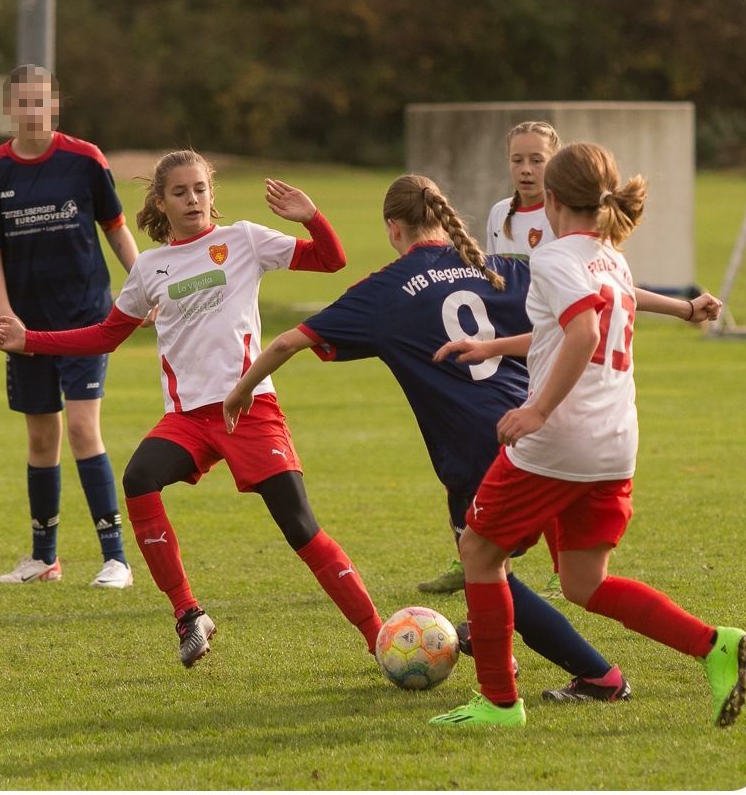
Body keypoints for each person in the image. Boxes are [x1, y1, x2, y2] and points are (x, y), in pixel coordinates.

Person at [225, 173, 647, 702]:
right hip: (540, 427)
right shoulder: (502, 268)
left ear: (392, 228)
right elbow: (605, 295)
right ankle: (498, 643)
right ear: (445, 218)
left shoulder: (384, 290)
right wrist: (683, 307)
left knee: (483, 564)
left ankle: (596, 674)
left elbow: (289, 341)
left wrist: (240, 392)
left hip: (473, 443)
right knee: (504, 564)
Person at [0, 149, 383, 668]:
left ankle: (379, 637)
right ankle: (189, 614)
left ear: (211, 194)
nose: (192, 199)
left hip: (250, 409)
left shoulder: (243, 239)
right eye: (180, 192)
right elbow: (106, 335)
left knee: (301, 528)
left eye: (200, 189)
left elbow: (331, 260)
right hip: (188, 420)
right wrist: (30, 340)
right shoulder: (150, 267)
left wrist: (311, 217)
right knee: (139, 478)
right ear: (161, 202)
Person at [428, 143, 746, 729]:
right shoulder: (609, 258)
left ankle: (498, 702)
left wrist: (536, 411)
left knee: (478, 551)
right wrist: (493, 346)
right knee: (584, 582)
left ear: (551, 199)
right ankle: (714, 645)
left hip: (559, 441)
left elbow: (581, 332)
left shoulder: (556, 257)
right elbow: (566, 328)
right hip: (614, 443)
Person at [0, 64, 140, 588]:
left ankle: (116, 560)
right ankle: (44, 558)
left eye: (41, 101)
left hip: (86, 319)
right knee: (41, 436)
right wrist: (6, 314)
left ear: (55, 105)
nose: (33, 110)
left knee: (84, 428)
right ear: (9, 108)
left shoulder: (85, 159)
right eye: (23, 102)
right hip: (25, 330)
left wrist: (145, 285)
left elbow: (116, 229)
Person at [420, 119, 563, 597]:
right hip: (507, 354)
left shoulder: (563, 213)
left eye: (537, 160)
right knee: (468, 448)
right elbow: (492, 285)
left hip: (555, 348)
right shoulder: (501, 213)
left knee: (547, 459)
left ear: (554, 162)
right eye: (517, 160)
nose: (526, 169)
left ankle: (558, 566)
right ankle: (469, 554)